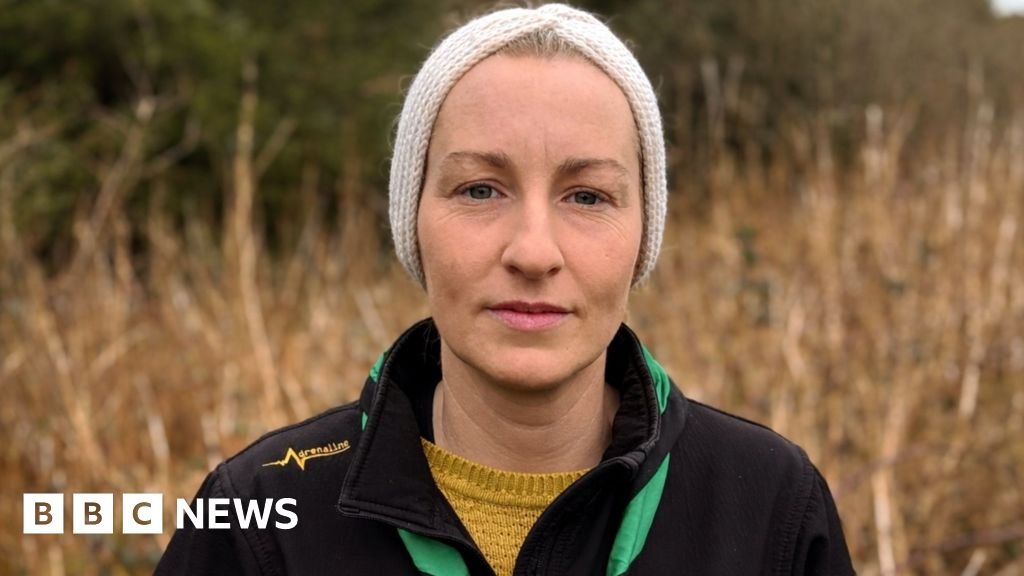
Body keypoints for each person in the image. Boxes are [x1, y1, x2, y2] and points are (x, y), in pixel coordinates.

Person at [156, 4, 855, 575]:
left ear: (644, 233)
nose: (533, 252)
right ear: (412, 222)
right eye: (480, 189)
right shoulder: (259, 518)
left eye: (587, 196)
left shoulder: (770, 508)